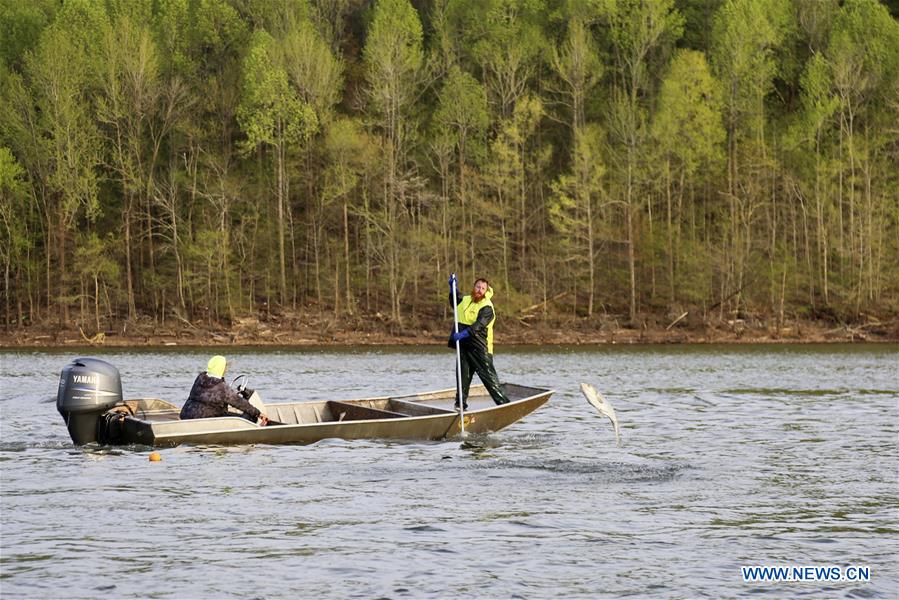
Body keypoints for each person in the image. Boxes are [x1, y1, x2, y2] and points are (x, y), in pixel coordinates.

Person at [448, 275, 511, 410]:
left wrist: (463, 334)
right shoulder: (465, 300)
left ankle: (504, 405)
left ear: (486, 291)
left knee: (489, 379)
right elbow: (455, 301)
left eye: (483, 288)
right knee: (462, 376)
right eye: (478, 287)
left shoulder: (487, 307)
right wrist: (453, 289)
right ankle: (460, 404)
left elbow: (478, 325)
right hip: (464, 347)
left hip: (480, 348)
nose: (479, 290)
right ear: (474, 287)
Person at [180, 355, 269, 425]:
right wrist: (258, 413)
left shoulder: (200, 378)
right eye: (225, 366)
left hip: (186, 415)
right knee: (251, 416)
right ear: (221, 368)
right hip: (205, 420)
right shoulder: (222, 387)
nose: (226, 369)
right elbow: (239, 403)